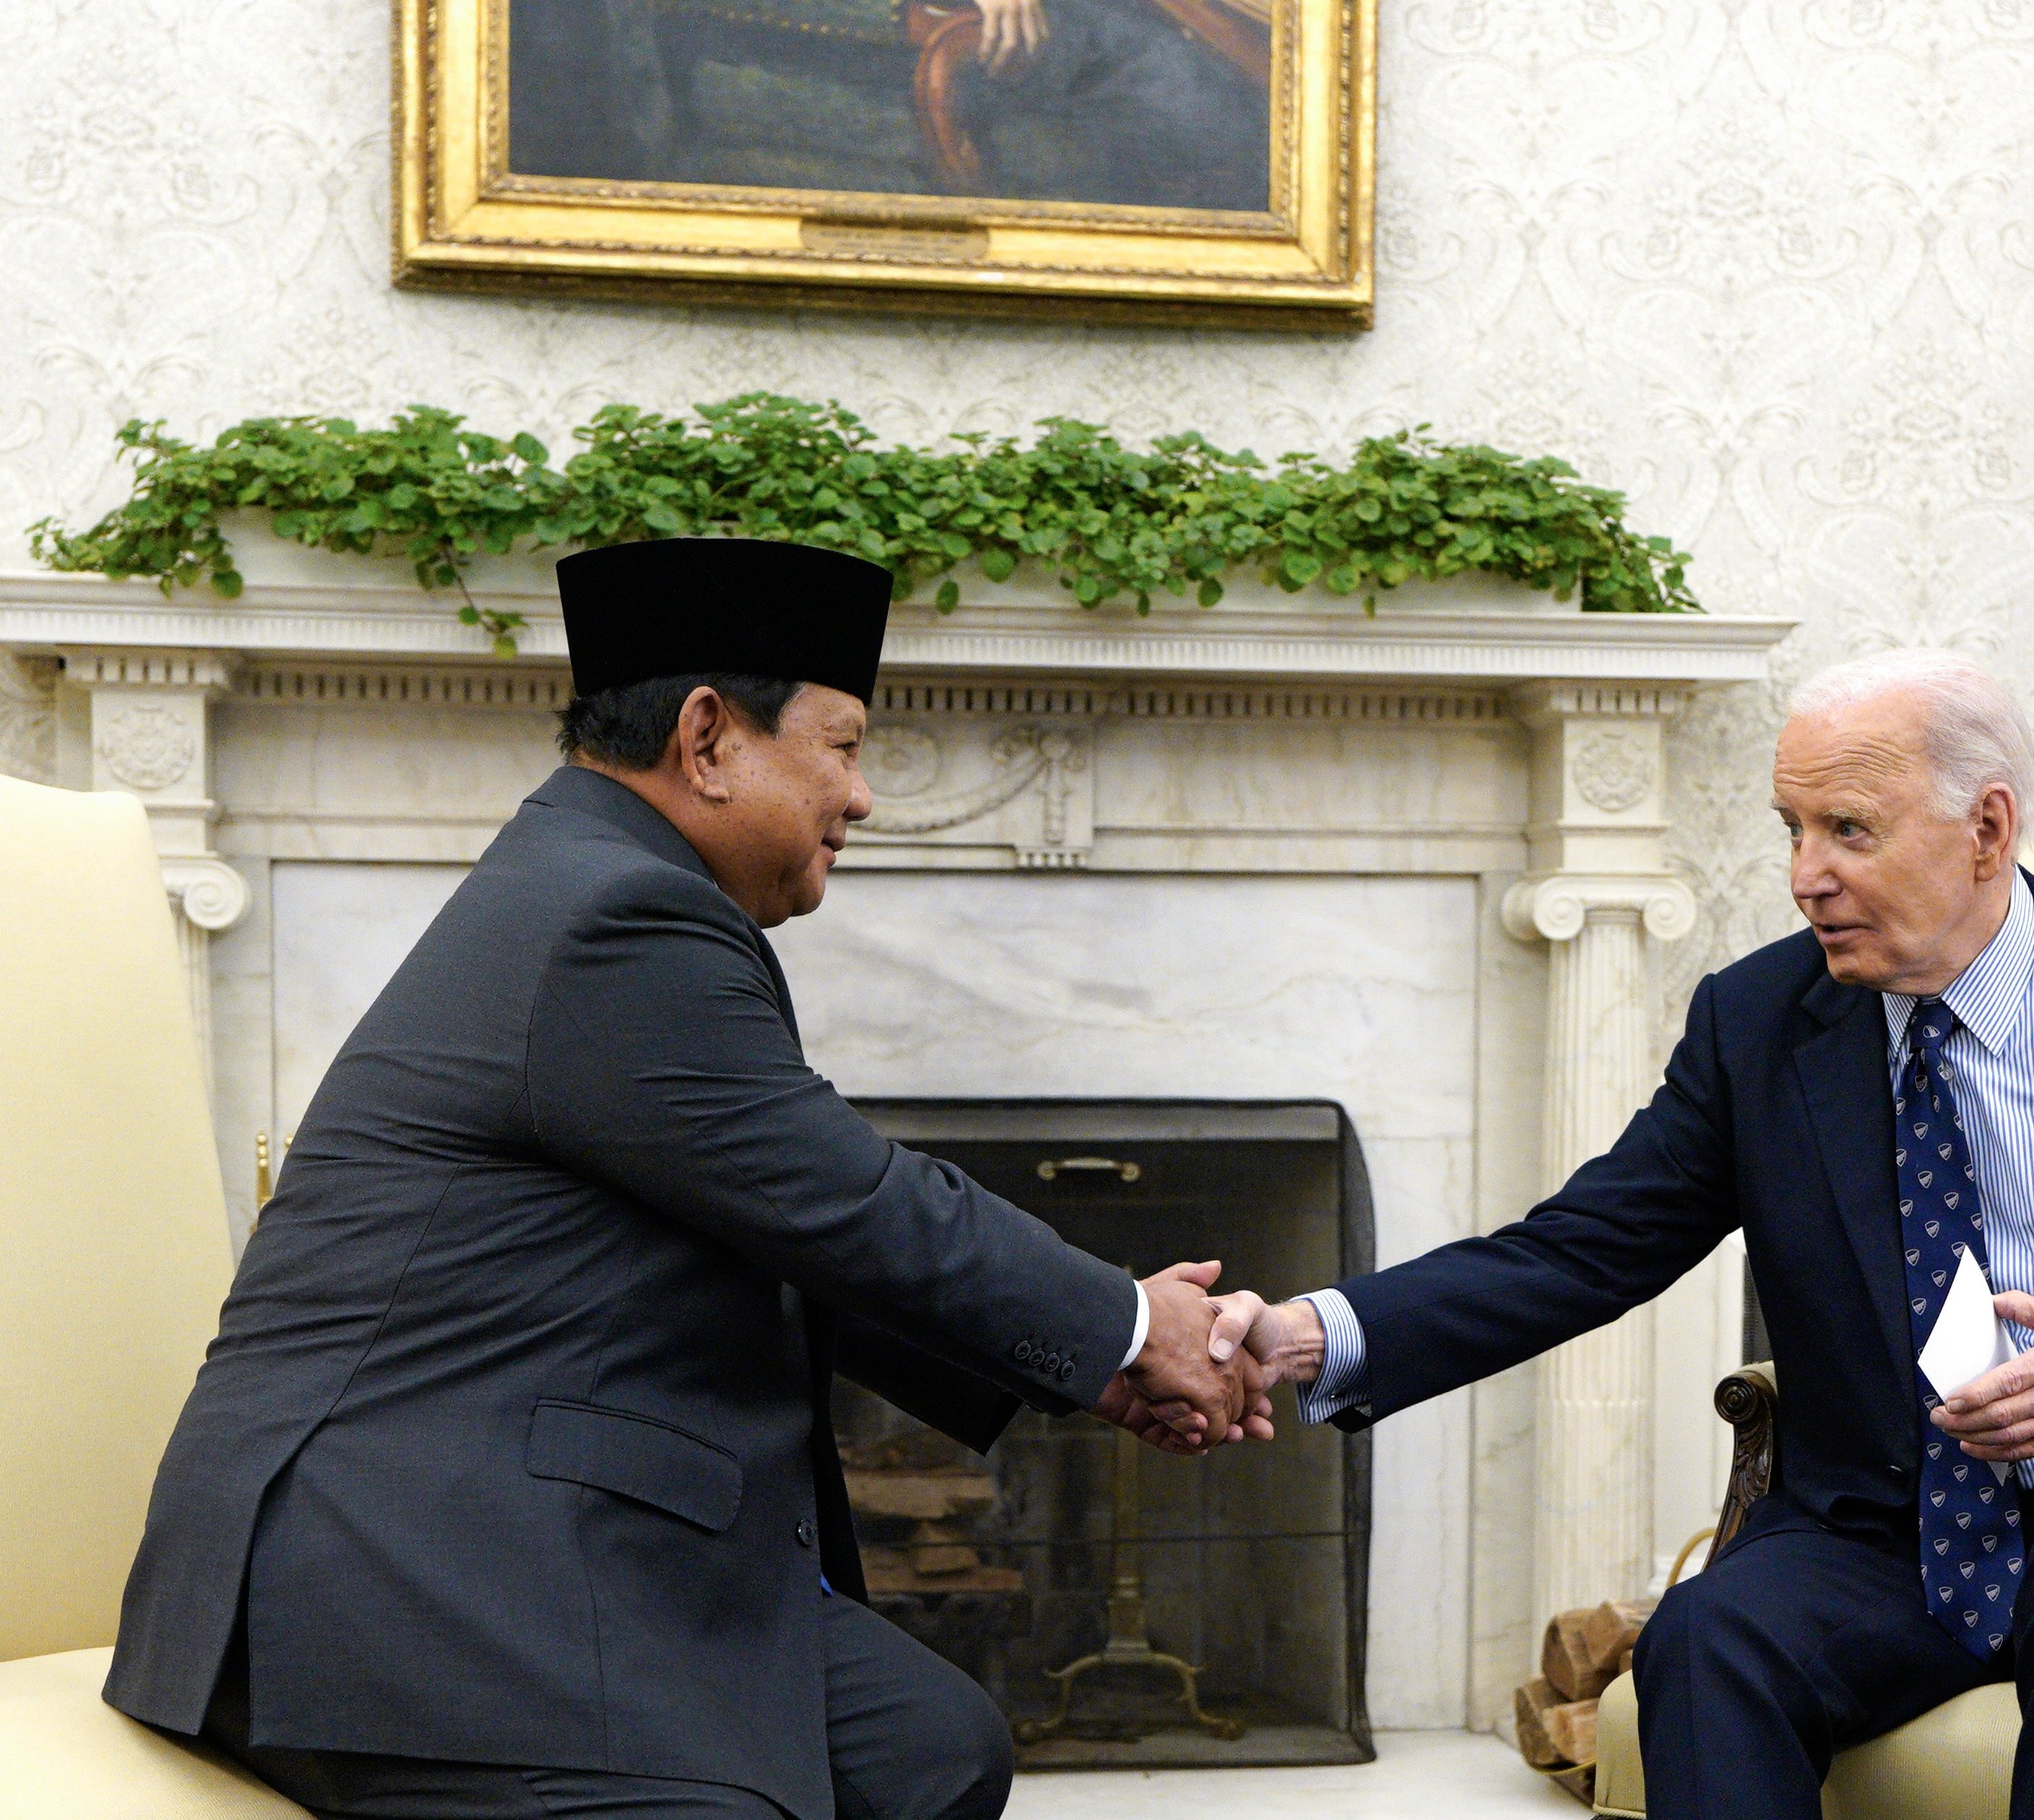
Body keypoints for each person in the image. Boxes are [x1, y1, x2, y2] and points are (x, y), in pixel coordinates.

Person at [103, 537, 1271, 1820]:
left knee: (934, 1751)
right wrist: (1125, 1322)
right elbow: (850, 1204)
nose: (864, 796)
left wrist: (1102, 1364)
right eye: (843, 746)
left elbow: (786, 1227)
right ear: (709, 739)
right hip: (391, 1582)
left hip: (517, 1534)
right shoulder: (616, 919)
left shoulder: (595, 884)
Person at [1214, 649, 2034, 1820]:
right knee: (1706, 1640)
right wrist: (1306, 1333)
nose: (1804, 873)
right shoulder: (1756, 1022)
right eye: (1792, 829)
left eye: (1847, 831)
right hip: (1884, 1526)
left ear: (1984, 830)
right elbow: (1577, 1248)